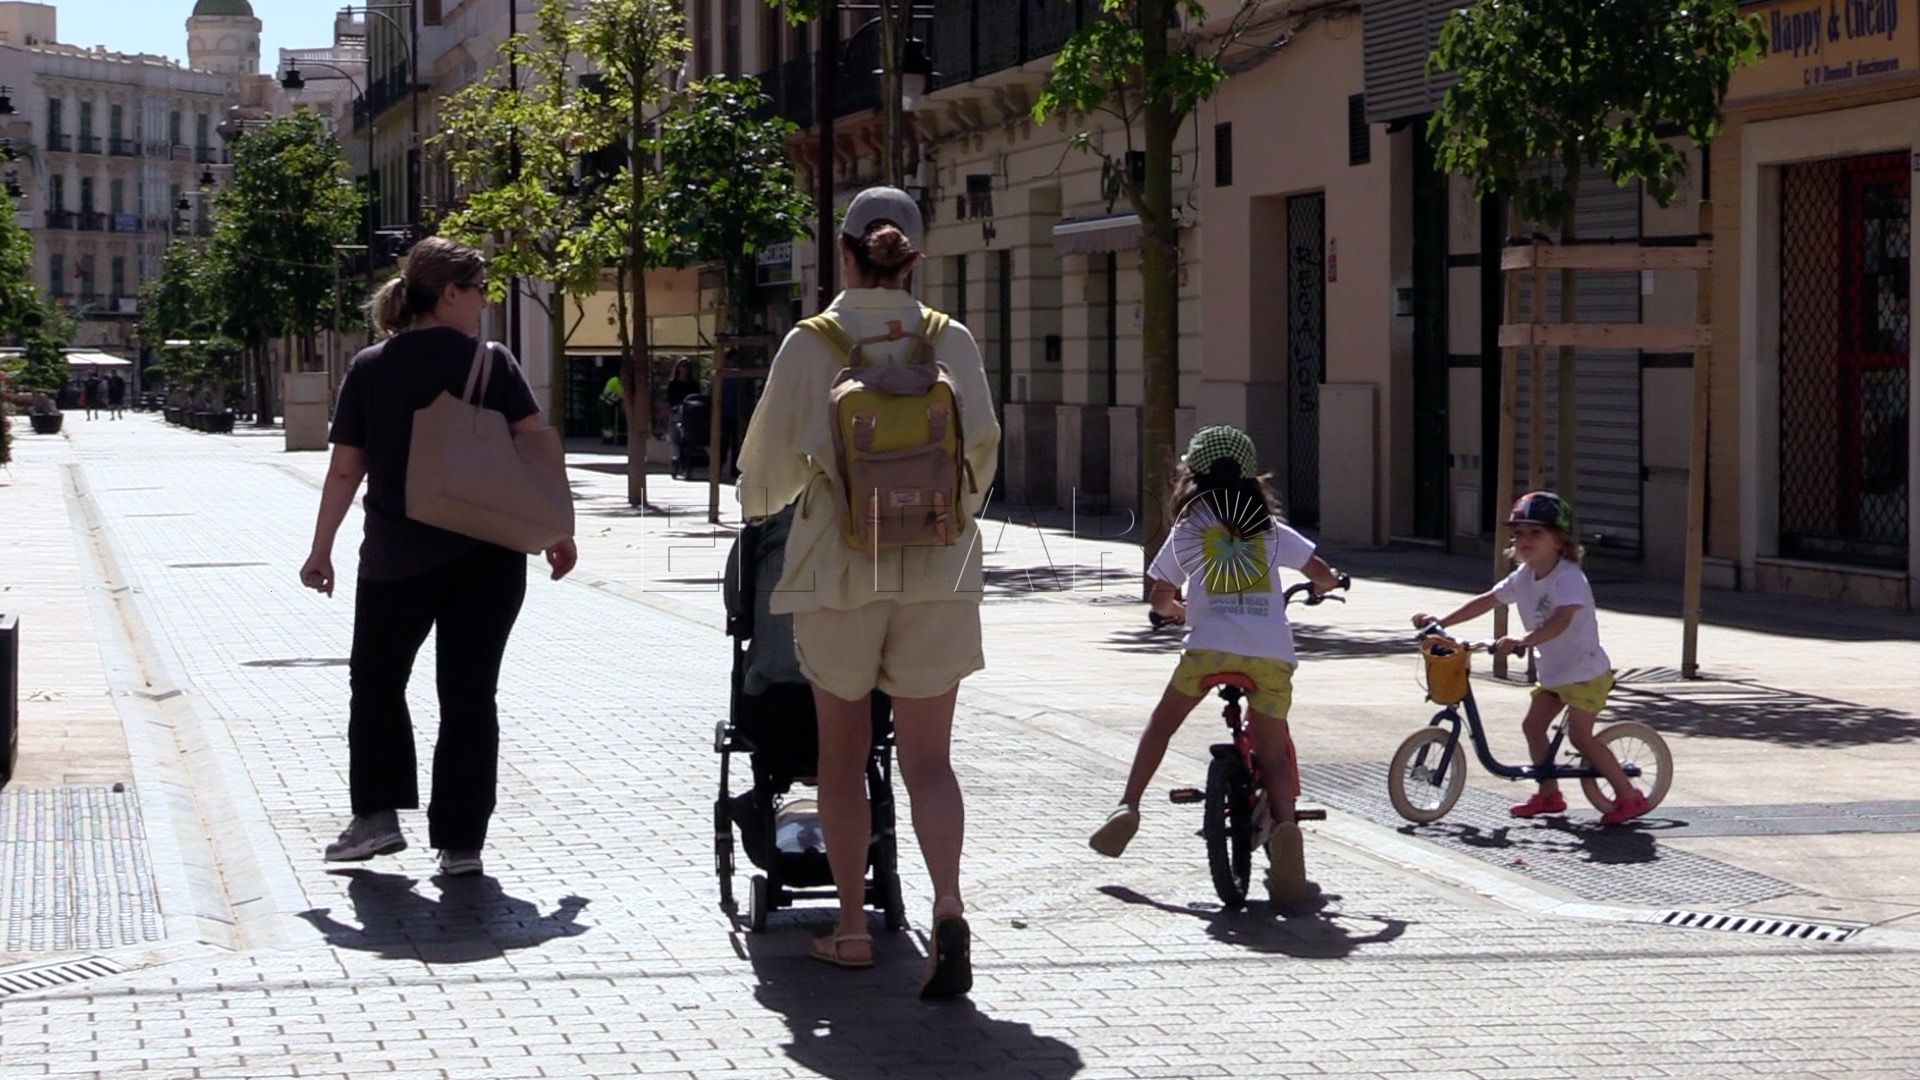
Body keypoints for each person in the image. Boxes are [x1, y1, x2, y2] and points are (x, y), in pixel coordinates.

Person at [734, 186, 999, 998]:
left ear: (844, 253)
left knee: (841, 760)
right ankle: (947, 903)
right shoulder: (949, 339)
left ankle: (850, 927)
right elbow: (983, 450)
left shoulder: (812, 343)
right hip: (938, 569)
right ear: (914, 258)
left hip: (839, 570)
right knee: (929, 760)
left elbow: (763, 479)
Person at [298, 236, 579, 879]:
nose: (486, 300)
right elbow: (535, 452)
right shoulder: (493, 363)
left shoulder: (371, 367)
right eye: (479, 289)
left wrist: (321, 549)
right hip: (489, 556)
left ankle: (377, 818)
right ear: (449, 294)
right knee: (470, 696)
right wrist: (556, 530)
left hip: (396, 557)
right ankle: (461, 844)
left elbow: (345, 470)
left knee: (376, 685)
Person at [1089, 427, 1344, 891]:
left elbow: (1161, 594)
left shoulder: (1190, 529)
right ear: (1251, 477)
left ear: (1193, 477)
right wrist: (1325, 585)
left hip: (1207, 651)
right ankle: (1287, 834)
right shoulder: (1270, 528)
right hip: (1270, 656)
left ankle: (1128, 806)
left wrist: (1173, 610)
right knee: (1272, 752)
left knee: (1161, 725)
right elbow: (1322, 574)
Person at [1409, 490, 1649, 825]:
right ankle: (1549, 795)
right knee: (1532, 727)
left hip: (1585, 672)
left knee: (1581, 736)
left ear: (1559, 541)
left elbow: (1562, 621)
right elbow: (1488, 600)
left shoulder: (1568, 577)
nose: (1524, 540)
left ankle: (1628, 795)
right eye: (1519, 533)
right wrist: (1441, 623)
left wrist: (1524, 639)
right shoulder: (1523, 576)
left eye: (1536, 533)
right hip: (1554, 674)